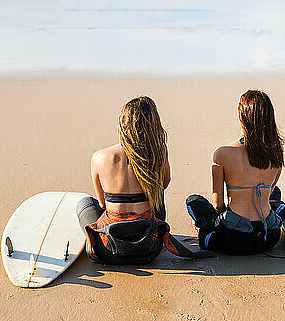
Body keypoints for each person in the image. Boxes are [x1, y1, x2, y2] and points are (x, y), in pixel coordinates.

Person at [77, 96, 212, 264]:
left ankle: (93, 241)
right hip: (150, 248)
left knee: (85, 203)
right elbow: (164, 184)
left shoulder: (99, 157)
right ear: (154, 124)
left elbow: (103, 204)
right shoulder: (158, 154)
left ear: (122, 124)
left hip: (110, 250)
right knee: (157, 194)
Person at [186, 89, 285, 255]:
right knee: (274, 193)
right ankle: (280, 210)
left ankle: (205, 235)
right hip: (270, 236)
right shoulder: (277, 151)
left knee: (193, 201)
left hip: (235, 239)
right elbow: (268, 192)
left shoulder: (222, 154)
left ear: (242, 118)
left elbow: (217, 204)